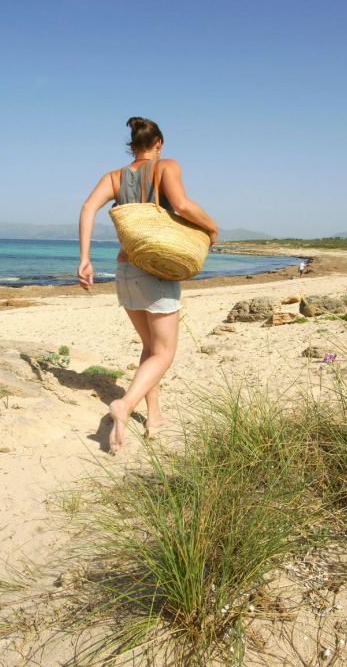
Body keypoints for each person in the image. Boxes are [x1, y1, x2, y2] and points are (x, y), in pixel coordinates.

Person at [77, 117, 218, 455]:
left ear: (132, 145)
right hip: (156, 270)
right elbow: (182, 205)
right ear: (158, 144)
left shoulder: (113, 177)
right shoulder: (166, 166)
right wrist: (213, 229)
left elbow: (87, 208)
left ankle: (154, 417)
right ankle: (124, 405)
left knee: (150, 348)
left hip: (124, 271)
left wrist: (84, 259)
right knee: (165, 352)